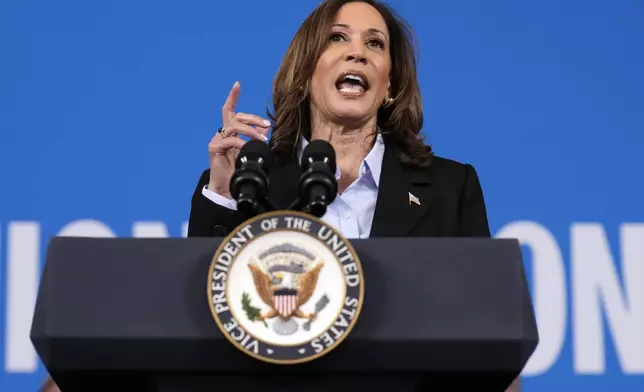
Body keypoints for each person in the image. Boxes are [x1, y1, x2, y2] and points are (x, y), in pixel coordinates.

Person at [188, 1, 519, 391]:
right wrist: (225, 192)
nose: (357, 52)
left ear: (390, 84)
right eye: (337, 37)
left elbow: (489, 340)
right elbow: (201, 334)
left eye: (375, 44)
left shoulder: (450, 187)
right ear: (306, 70)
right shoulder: (252, 185)